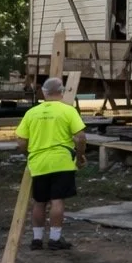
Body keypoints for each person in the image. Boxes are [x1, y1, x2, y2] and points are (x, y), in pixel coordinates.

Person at [15, 77, 87, 251]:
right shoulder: (68, 111)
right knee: (57, 200)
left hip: (39, 163)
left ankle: (37, 239)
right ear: (62, 91)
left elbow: (21, 141)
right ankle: (55, 239)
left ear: (44, 92)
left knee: (39, 201)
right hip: (62, 162)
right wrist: (80, 155)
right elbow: (81, 137)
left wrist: (29, 155)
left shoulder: (31, 113)